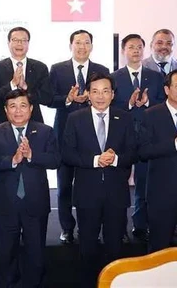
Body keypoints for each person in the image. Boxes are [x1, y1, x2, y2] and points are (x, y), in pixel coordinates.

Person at [62, 73, 137, 287]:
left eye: (105, 91)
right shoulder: (75, 119)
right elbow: (67, 154)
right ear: (87, 94)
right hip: (87, 193)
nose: (100, 96)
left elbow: (134, 152)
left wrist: (115, 160)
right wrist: (95, 160)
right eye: (94, 91)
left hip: (116, 194)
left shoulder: (124, 118)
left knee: (115, 247)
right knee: (87, 247)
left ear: (113, 94)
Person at [0, 89, 60, 288]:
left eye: (23, 105)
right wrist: (13, 160)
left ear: (31, 108)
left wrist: (32, 156)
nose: (18, 111)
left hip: (35, 204)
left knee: (36, 256)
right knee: (6, 255)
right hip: (6, 205)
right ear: (6, 110)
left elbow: (55, 160)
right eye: (13, 106)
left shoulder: (45, 131)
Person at [48, 29, 110, 244]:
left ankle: (94, 226)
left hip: (94, 135)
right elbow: (48, 98)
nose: (82, 46)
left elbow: (107, 97)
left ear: (91, 46)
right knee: (64, 184)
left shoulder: (101, 70)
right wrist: (67, 99)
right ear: (70, 45)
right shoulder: (57, 69)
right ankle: (66, 227)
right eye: (78, 42)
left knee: (92, 184)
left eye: (86, 43)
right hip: (65, 133)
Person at [111, 34, 165, 242]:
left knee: (144, 181)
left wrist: (148, 102)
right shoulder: (114, 77)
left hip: (147, 136)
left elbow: (162, 103)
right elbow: (108, 105)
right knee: (120, 183)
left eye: (139, 47)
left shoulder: (156, 77)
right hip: (121, 136)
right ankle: (119, 226)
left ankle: (141, 224)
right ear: (123, 51)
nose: (136, 51)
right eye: (131, 47)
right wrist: (130, 105)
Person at [139, 70, 177, 252]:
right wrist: (173, 144)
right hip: (162, 194)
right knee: (158, 248)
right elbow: (144, 151)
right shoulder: (151, 115)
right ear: (167, 89)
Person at [0, 26, 53, 126]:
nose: (19, 43)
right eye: (15, 40)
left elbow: (47, 98)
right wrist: (12, 84)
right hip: (3, 125)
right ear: (8, 43)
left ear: (28, 44)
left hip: (34, 123)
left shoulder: (40, 67)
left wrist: (26, 88)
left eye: (23, 40)